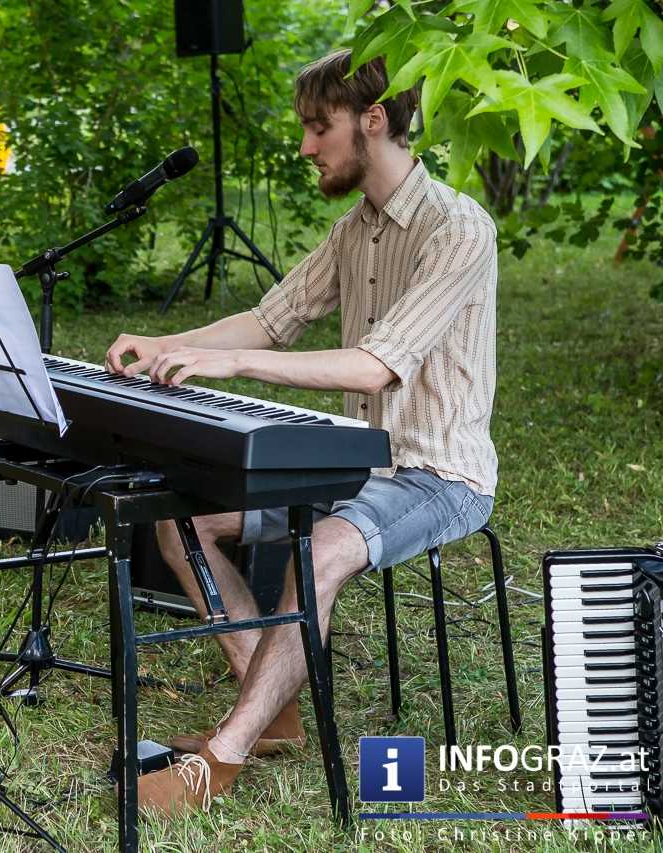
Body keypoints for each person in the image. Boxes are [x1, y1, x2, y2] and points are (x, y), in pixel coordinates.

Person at [104, 49, 498, 815]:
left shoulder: (458, 229)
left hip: (438, 476)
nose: (307, 145)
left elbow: (374, 368)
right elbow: (270, 318)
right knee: (182, 520)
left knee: (316, 553)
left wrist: (236, 366)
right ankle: (273, 705)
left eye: (319, 127)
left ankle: (220, 759)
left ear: (373, 121)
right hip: (356, 469)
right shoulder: (357, 230)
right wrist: (166, 346)